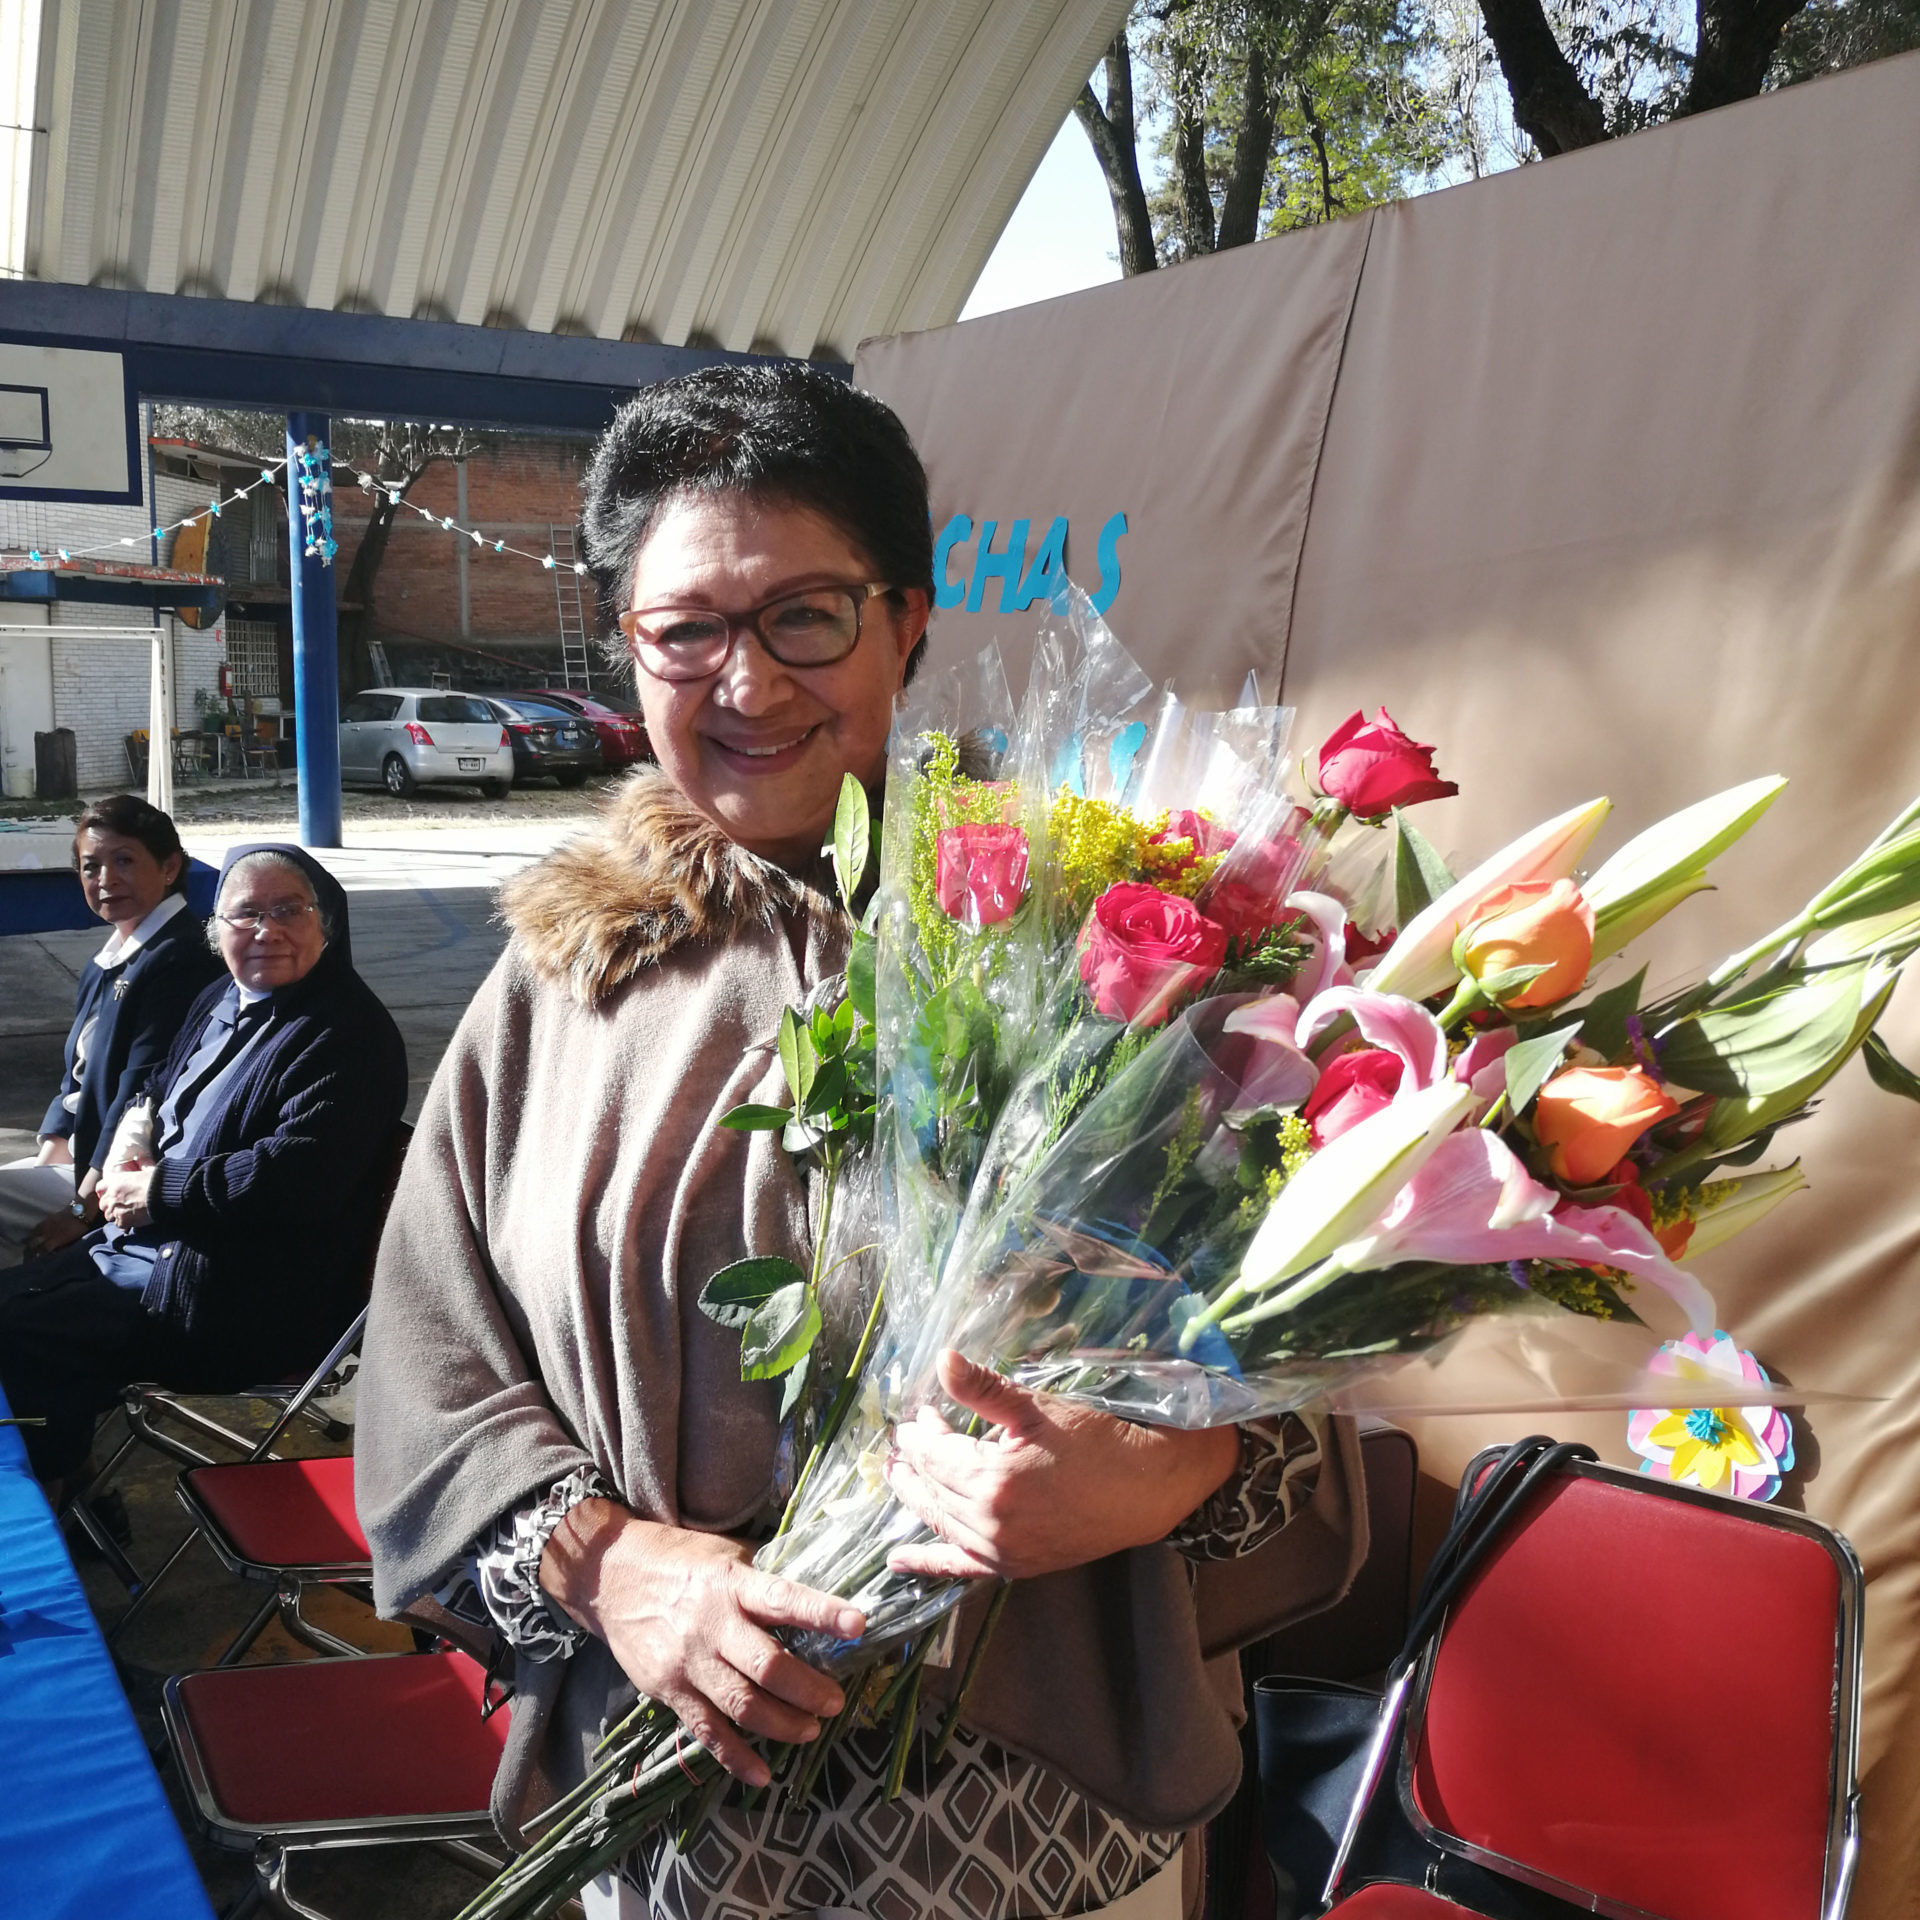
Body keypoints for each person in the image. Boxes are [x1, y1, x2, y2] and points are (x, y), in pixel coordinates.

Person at [354, 365, 1364, 1920]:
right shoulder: (564, 983)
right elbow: (433, 1371)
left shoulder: (1100, 936)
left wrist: (1155, 1470)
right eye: (687, 630)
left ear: (908, 620)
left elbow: (1286, 1345)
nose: (747, 683)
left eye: (805, 616)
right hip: (681, 1804)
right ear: (628, 644)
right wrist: (610, 1562)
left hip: (1029, 1821)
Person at [0, 844, 407, 1487]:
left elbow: (299, 1177)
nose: (267, 930)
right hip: (138, 1251)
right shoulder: (220, 995)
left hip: (229, 1299)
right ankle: (66, 1479)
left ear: (324, 922)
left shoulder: (347, 1036)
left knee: (14, 1339)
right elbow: (156, 1086)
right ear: (217, 929)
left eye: (289, 910)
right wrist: (132, 1145)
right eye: (246, 913)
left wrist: (159, 1190)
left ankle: (63, 1500)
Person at [0, 795, 221, 1265]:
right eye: (90, 866)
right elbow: (75, 1081)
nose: (106, 879)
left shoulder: (178, 959)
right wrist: (49, 1154)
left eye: (124, 861)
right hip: (77, 1161)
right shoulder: (111, 958)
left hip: (117, 1173)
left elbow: (138, 1095)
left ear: (169, 867)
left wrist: (80, 1209)